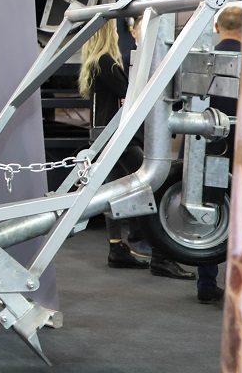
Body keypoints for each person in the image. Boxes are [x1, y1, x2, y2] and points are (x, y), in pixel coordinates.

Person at [80, 20, 193, 279]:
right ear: (108, 34)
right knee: (154, 185)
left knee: (111, 191)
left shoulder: (95, 63)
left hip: (105, 137)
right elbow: (133, 95)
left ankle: (116, 249)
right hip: (118, 140)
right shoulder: (106, 63)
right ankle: (162, 257)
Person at [195, 4, 242, 304]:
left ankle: (206, 283)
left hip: (210, 147)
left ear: (216, 28)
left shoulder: (203, 60)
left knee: (210, 212)